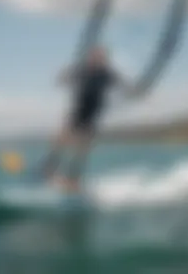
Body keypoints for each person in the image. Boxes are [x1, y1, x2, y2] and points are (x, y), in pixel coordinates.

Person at [40, 45, 131, 192]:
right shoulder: (82, 70)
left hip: (92, 116)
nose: (96, 59)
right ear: (90, 57)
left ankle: (72, 180)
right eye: (94, 56)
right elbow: (64, 78)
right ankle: (48, 170)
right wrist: (62, 77)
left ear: (104, 59)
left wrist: (135, 92)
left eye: (100, 57)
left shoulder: (107, 74)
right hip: (77, 113)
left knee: (82, 150)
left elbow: (123, 85)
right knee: (60, 141)